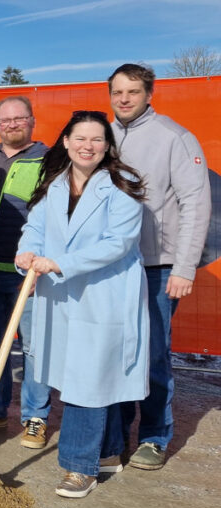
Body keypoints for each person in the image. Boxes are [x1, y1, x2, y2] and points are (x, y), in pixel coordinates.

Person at [16, 110, 149, 498]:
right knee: (93, 376)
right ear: (66, 141)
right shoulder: (55, 185)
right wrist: (27, 252)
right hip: (62, 297)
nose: (87, 146)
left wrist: (61, 263)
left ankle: (79, 466)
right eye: (80, 138)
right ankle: (107, 453)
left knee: (87, 381)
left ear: (107, 146)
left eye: (96, 139)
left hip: (104, 297)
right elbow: (35, 227)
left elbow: (117, 244)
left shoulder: (122, 187)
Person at [108, 64, 211, 471]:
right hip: (111, 266)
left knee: (152, 354)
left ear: (149, 94)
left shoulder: (174, 137)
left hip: (157, 266)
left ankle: (154, 436)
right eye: (117, 92)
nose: (124, 99)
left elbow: (196, 204)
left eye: (133, 91)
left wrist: (184, 267)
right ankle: (115, 435)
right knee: (115, 353)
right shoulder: (102, 136)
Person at [0, 96, 53, 449]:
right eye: (5, 120)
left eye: (19, 118)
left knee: (34, 348)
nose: (12, 125)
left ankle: (35, 417)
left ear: (32, 121)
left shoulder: (50, 161)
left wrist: (44, 263)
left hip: (28, 275)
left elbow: (56, 217)